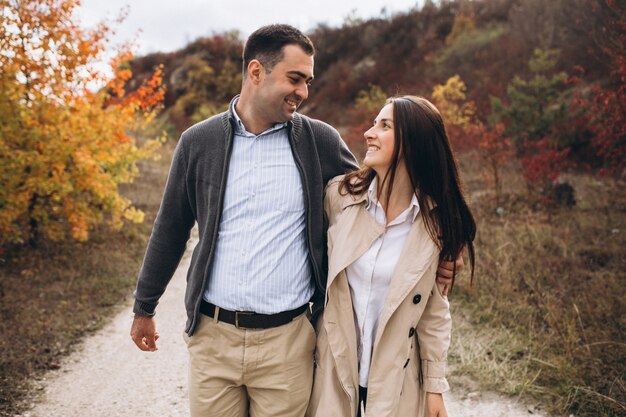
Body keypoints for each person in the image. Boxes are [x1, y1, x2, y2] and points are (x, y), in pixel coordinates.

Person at [130, 24, 460, 417]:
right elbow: (170, 228)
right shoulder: (199, 142)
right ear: (256, 72)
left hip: (288, 343)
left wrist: (439, 246)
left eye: (308, 80)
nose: (303, 91)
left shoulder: (318, 141)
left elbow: (377, 195)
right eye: (295, 78)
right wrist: (144, 306)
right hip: (213, 337)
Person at [307, 96, 476, 417]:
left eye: (384, 126)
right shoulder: (340, 196)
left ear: (414, 142)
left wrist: (435, 388)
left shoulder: (436, 224)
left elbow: (433, 313)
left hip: (397, 374)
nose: (369, 133)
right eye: (373, 123)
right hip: (333, 367)